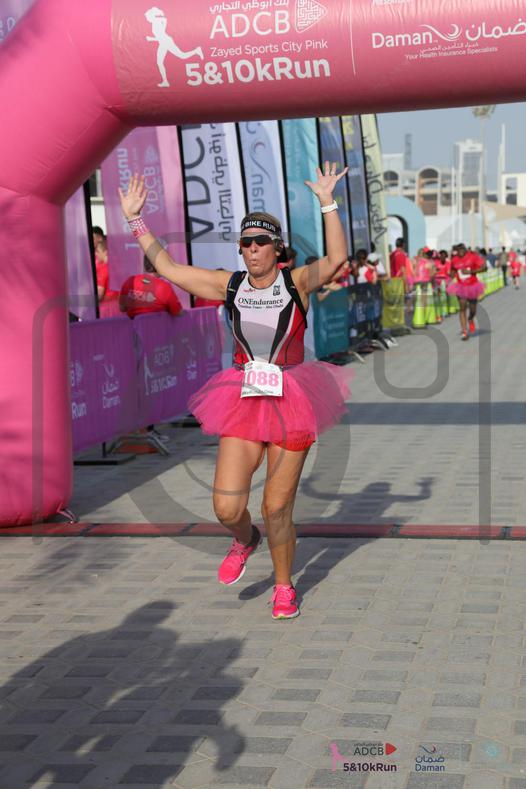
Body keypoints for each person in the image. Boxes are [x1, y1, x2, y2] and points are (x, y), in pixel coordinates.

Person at [119, 163, 351, 621]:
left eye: (260, 241)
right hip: (244, 396)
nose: (252, 249)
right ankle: (245, 539)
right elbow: (168, 268)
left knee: (276, 506)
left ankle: (283, 587)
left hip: (292, 395)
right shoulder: (230, 284)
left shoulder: (296, 282)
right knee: (227, 507)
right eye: (245, 243)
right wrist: (135, 219)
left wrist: (327, 202)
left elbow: (337, 259)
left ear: (277, 247)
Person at [119, 256, 184, 318]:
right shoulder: (164, 287)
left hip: (135, 325)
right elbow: (178, 312)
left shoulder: (130, 281)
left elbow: (122, 308)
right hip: (157, 325)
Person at [446, 243, 485, 340]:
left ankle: (470, 318)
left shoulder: (473, 257)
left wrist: (470, 272)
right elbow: (453, 271)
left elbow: (484, 268)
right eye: (458, 250)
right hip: (461, 287)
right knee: (462, 308)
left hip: (473, 286)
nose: (460, 251)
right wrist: (450, 276)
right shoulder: (454, 260)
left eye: (462, 249)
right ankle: (464, 332)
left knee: (473, 309)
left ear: (465, 249)